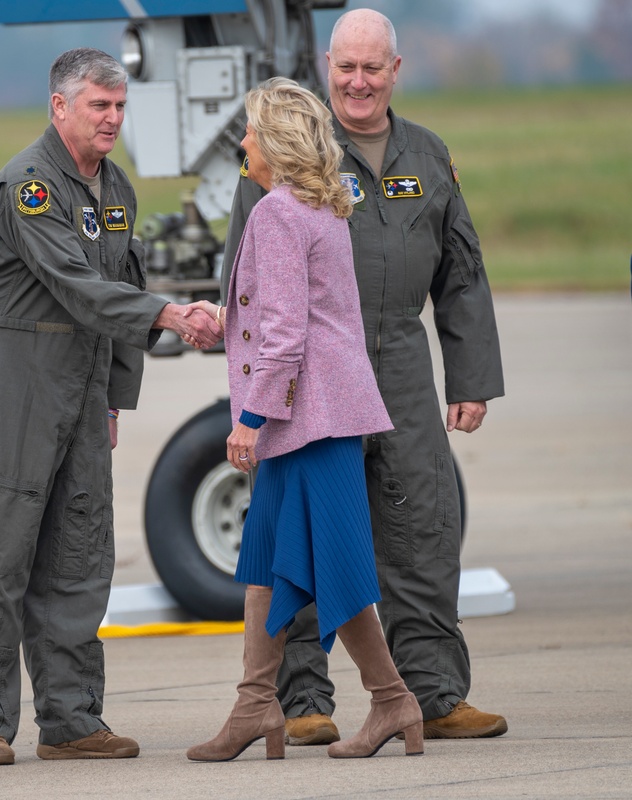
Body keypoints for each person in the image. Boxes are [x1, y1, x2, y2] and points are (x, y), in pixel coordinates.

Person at [221, 9, 507, 747]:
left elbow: (463, 273)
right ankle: (305, 701)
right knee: (306, 530)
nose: (357, 82)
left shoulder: (427, 155)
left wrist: (468, 376)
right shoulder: (293, 152)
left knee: (423, 530)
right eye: (345, 67)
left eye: (371, 68)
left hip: (401, 366)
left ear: (394, 71)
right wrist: (252, 401)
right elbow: (248, 287)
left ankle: (436, 694)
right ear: (326, 66)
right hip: (310, 375)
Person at [0, 47, 221, 767]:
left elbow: (117, 295)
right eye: (98, 106)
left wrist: (115, 403)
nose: (112, 119)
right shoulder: (29, 186)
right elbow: (78, 286)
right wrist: (170, 314)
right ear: (59, 106)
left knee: (78, 549)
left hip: (82, 384)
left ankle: (71, 719)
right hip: (14, 377)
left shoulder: (117, 189)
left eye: (120, 106)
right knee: (0, 548)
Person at [186, 78, 422, 763]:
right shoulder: (322, 206)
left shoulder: (279, 214)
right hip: (320, 409)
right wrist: (226, 320)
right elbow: (310, 315)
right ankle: (256, 705)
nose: (243, 144)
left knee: (336, 565)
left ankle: (390, 700)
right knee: (265, 555)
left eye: (251, 133)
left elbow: (289, 333)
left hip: (307, 415)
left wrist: (250, 418)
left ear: (277, 144)